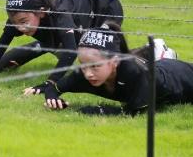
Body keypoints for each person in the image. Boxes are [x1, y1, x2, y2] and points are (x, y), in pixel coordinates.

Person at [0, 0, 124, 94]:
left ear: (41, 12)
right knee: (51, 44)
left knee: (90, 49)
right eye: (15, 23)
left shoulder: (60, 15)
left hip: (105, 7)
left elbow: (70, 52)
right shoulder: (19, 17)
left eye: (24, 22)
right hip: (71, 19)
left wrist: (49, 83)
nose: (19, 28)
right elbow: (1, 45)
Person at [43, 23, 191, 115]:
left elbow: (135, 110)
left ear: (114, 62)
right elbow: (54, 88)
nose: (88, 73)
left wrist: (98, 110)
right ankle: (154, 52)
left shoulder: (137, 74)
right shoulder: (83, 74)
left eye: (95, 66)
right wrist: (52, 99)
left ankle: (160, 52)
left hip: (181, 76)